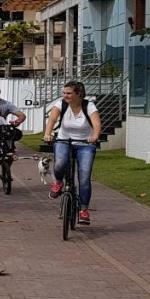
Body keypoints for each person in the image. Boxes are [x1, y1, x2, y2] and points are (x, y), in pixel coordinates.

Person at [43, 80, 102, 225]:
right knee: (60, 164)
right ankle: (58, 183)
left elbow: (97, 124)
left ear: (78, 94)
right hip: (64, 141)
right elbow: (52, 119)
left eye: (69, 93)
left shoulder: (88, 106)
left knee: (84, 177)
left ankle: (83, 210)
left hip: (84, 144)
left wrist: (94, 136)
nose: (65, 96)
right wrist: (47, 133)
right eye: (64, 93)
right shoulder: (61, 104)